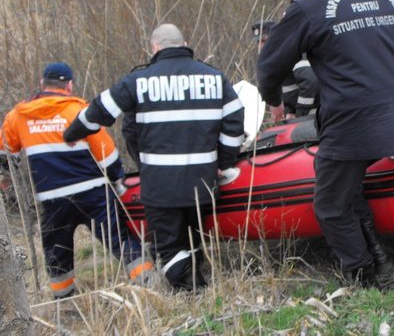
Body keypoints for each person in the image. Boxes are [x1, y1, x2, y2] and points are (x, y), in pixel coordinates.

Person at [257, 0, 394, 287]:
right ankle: (376, 262)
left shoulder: (309, 4)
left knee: (330, 205)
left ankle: (364, 275)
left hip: (351, 121)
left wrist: (274, 103)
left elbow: (269, 65)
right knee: (346, 190)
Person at [63, 24, 245, 292]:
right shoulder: (215, 78)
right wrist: (225, 162)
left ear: (155, 48)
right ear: (185, 43)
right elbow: (235, 121)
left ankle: (194, 290)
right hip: (203, 182)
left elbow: (99, 111)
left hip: (161, 187)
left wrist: (71, 133)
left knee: (168, 246)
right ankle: (196, 282)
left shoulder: (138, 81)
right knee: (193, 235)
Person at [1, 62, 153, 299]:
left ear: (42, 84)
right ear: (69, 85)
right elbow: (107, 151)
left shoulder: (18, 116)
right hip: (93, 193)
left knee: (56, 249)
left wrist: (5, 178)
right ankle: (147, 282)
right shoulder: (79, 110)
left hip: (51, 200)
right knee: (119, 240)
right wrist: (117, 179)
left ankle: (64, 300)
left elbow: (4, 153)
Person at [252, 20, 319, 118]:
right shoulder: (277, 59)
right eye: (258, 42)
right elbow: (288, 89)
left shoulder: (293, 52)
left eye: (264, 40)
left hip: (317, 117)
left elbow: (310, 82)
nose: (261, 46)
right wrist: (290, 111)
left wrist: (300, 114)